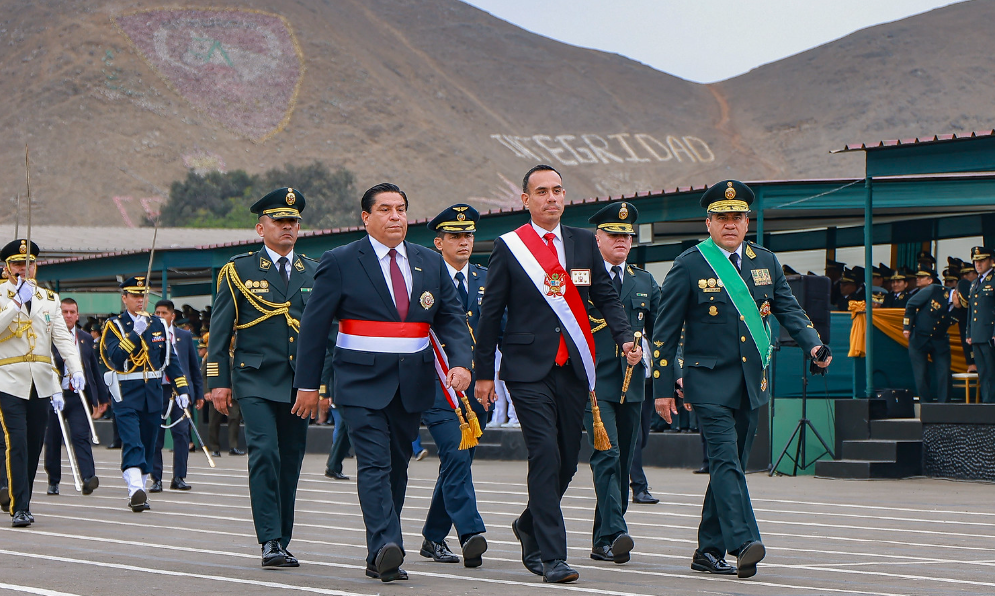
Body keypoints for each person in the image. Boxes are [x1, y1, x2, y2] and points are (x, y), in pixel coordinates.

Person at [293, 182, 472, 582]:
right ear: (366, 217)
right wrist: (308, 384)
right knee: (373, 463)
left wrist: (461, 363)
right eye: (386, 209)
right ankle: (387, 544)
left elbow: (450, 318)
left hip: (412, 382)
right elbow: (314, 325)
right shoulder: (340, 260)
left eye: (401, 209)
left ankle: (379, 555)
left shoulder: (429, 260)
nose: (396, 217)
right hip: (359, 381)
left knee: (397, 466)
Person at [652, 180, 830, 579]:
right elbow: (663, 334)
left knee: (728, 466)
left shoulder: (765, 261)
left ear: (747, 221)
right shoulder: (690, 265)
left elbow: (790, 310)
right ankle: (743, 541)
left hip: (752, 381)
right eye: (722, 217)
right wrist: (663, 389)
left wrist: (814, 346)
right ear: (709, 222)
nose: (730, 224)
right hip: (708, 382)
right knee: (726, 459)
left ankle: (707, 550)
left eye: (737, 217)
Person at [475, 165, 640, 584]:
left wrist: (624, 337)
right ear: (526, 200)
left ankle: (529, 523)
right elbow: (490, 313)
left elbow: (605, 296)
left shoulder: (583, 242)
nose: (552, 198)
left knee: (567, 459)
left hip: (574, 368)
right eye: (542, 191)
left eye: (558, 190)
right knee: (545, 453)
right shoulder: (510, 247)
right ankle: (553, 556)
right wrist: (483, 373)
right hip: (527, 368)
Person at [207, 187, 318, 567]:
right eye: (280, 221)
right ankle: (269, 539)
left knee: (290, 460)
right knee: (265, 454)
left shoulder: (313, 271)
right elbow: (220, 331)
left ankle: (282, 540)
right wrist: (217, 381)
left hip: (297, 383)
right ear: (261, 227)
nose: (288, 227)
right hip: (253, 379)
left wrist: (322, 385)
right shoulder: (238, 270)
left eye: (294, 222)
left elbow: (324, 336)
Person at [582, 201, 661, 564]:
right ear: (598, 237)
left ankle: (603, 540)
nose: (622, 242)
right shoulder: (580, 276)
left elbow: (663, 333)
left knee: (625, 458)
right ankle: (616, 531)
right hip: (594, 382)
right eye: (614, 235)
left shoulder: (644, 281)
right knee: (607, 454)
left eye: (627, 236)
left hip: (633, 386)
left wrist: (659, 368)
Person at [418, 204, 489, 568]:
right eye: (455, 236)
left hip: (475, 388)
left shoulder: (485, 278)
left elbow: (496, 333)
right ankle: (470, 532)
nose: (464, 241)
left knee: (455, 463)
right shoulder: (423, 278)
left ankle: (432, 538)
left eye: (468, 235)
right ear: (438, 241)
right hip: (435, 382)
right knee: (456, 453)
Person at [0, 239, 84, 527]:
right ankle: (19, 506)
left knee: (34, 443)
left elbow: (61, 338)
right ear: (7, 267)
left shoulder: (49, 298)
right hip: (8, 379)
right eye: (18, 264)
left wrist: (75, 369)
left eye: (30, 263)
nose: (24, 268)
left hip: (41, 380)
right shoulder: (1, 294)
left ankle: (24, 499)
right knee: (17, 442)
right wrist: (15, 304)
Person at [100, 276, 190, 512]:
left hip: (152, 392)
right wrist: (133, 335)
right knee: (132, 441)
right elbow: (115, 358)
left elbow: (169, 361)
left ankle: (138, 485)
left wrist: (182, 389)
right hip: (126, 392)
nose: (140, 300)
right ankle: (135, 489)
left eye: (143, 296)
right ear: (124, 298)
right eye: (135, 296)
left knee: (149, 443)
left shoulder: (158, 324)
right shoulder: (114, 326)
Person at [45, 297, 108, 496]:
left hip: (77, 395)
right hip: (55, 395)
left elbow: (93, 370)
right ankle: (53, 480)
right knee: (54, 438)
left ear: (77, 315)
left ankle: (88, 477)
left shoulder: (85, 338)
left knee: (81, 436)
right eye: (65, 312)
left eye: (72, 312)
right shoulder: (48, 336)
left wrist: (101, 398)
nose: (69, 316)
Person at [148, 300, 204, 492]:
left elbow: (193, 366)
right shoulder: (149, 334)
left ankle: (179, 476)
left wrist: (197, 393)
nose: (160, 316)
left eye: (164, 313)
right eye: (157, 313)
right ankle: (156, 478)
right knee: (156, 436)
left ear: (173, 316)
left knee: (181, 433)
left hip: (180, 392)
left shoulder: (184, 336)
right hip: (157, 390)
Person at [903, 268, 954, 403]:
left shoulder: (961, 308)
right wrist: (907, 327)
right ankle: (925, 405)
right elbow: (911, 304)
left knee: (944, 373)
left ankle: (944, 405)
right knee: (921, 375)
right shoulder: (935, 290)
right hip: (919, 337)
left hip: (939, 339)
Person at [966, 246, 995, 403]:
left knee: (991, 371)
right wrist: (968, 333)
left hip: (989, 333)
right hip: (977, 334)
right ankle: (987, 402)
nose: (978, 264)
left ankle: (991, 403)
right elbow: (971, 310)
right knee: (983, 372)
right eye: (976, 261)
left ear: (991, 261)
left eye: (982, 260)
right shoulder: (974, 283)